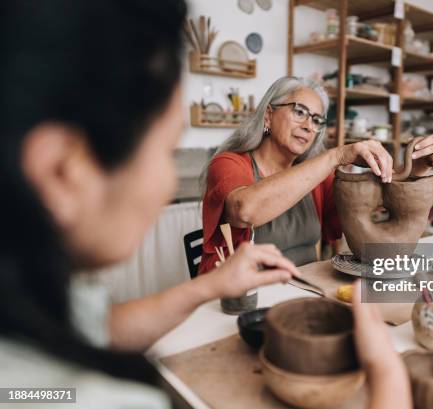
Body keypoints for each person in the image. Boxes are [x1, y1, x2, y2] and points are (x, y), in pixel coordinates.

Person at [0, 1, 412, 408]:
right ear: (61, 171)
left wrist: (413, 172)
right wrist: (388, 375)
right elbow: (244, 210)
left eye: (316, 119)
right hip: (245, 311)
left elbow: (96, 327)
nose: (166, 188)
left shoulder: (37, 313)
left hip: (301, 296)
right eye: (165, 151)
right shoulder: (100, 398)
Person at [200, 76, 433, 273]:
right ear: (268, 114)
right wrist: (335, 156)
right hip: (238, 301)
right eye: (299, 111)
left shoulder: (317, 180)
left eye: (317, 119)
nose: (309, 126)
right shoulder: (228, 164)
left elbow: (367, 217)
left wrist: (419, 164)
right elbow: (245, 211)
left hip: (301, 290)